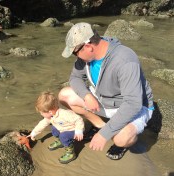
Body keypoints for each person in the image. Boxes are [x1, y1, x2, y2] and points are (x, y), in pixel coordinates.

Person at [59, 22, 154, 160]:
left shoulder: (124, 60)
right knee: (64, 95)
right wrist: (86, 95)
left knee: (120, 139)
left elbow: (133, 103)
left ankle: (116, 134)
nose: (76, 56)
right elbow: (74, 78)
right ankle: (100, 124)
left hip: (134, 106)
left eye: (75, 52)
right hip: (103, 99)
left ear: (88, 46)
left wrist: (104, 135)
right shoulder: (86, 57)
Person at [28, 91, 84, 164]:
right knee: (54, 129)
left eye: (42, 113)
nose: (41, 114)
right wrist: (34, 133)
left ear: (50, 112)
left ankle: (71, 153)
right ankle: (61, 141)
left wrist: (79, 130)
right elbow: (42, 124)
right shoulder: (50, 117)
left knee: (64, 136)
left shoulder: (64, 114)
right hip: (63, 128)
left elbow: (78, 119)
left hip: (74, 129)